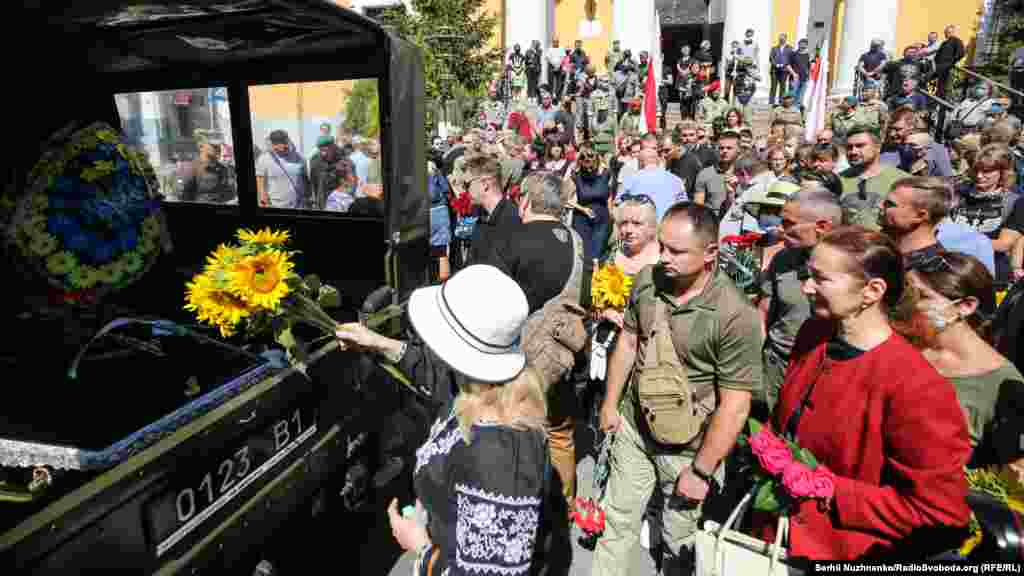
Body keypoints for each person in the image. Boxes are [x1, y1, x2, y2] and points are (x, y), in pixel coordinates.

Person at [333, 265, 571, 576]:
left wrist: (421, 547)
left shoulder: (501, 458)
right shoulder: (487, 388)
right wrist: (376, 343)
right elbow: (435, 376)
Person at [760, 226, 972, 560]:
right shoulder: (815, 333)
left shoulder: (916, 387)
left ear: (872, 291)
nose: (806, 287)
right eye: (807, 274)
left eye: (820, 278)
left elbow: (939, 513)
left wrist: (832, 490)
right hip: (773, 541)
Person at [594, 202, 762, 576]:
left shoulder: (734, 315)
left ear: (711, 254)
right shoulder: (647, 282)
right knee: (616, 523)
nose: (663, 258)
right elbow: (628, 342)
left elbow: (735, 404)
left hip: (688, 450)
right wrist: (610, 405)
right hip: (634, 432)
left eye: (677, 251)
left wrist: (700, 471)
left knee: (678, 543)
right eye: (663, 246)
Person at [906, 252, 1024, 469]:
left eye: (922, 296)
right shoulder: (902, 348)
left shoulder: (1000, 383)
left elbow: (1001, 472)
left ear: (966, 306)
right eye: (907, 295)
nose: (910, 306)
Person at [757, 187, 843, 412]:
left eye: (789, 224)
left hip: (821, 373)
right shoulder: (783, 259)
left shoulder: (854, 268)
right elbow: (764, 312)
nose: (780, 229)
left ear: (822, 227)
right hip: (775, 367)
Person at [838, 124, 910, 230]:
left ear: (878, 147)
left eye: (860, 146)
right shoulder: (837, 181)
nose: (853, 152)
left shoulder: (903, 180)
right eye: (849, 147)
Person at [879, 176, 950, 270]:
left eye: (889, 204)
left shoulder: (932, 272)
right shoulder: (884, 245)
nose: (880, 205)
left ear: (919, 216)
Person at [464, 154, 522, 264]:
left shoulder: (512, 220)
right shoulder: (483, 218)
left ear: (485, 184)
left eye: (467, 185)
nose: (465, 190)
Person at [618, 147, 687, 220]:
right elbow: (684, 206)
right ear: (658, 161)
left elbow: (618, 203)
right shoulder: (676, 180)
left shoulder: (630, 179)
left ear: (640, 163)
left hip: (641, 225)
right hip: (668, 225)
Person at [693, 130, 742, 218]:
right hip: (713, 224)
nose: (724, 151)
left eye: (729, 148)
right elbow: (697, 208)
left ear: (739, 149)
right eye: (721, 148)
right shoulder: (705, 174)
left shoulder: (745, 174)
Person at [256, 129, 309, 208]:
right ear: (272, 144)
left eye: (284, 143)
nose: (282, 148)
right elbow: (260, 178)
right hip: (276, 205)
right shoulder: (264, 159)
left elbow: (305, 178)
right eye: (278, 145)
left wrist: (307, 197)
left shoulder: (299, 157)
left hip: (299, 204)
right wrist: (262, 197)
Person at [181, 139, 236, 203]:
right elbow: (186, 193)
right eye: (213, 146)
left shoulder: (223, 169)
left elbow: (230, 191)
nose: (217, 148)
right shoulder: (194, 168)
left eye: (218, 146)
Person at [934, 25, 966, 99]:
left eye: (949, 32)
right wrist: (937, 64)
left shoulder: (956, 41)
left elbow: (961, 53)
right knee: (940, 87)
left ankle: (946, 106)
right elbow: (938, 55)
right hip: (941, 68)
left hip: (949, 68)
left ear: (953, 32)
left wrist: (951, 63)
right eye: (946, 32)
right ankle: (939, 105)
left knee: (947, 87)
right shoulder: (944, 43)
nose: (947, 34)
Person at [769, 34, 793, 106]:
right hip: (774, 70)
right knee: (773, 86)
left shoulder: (790, 48)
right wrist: (776, 64)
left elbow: (790, 58)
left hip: (784, 70)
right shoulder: (774, 48)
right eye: (780, 38)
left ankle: (781, 101)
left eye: (782, 38)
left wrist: (784, 64)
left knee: (783, 87)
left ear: (786, 39)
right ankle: (771, 102)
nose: (781, 40)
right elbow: (771, 58)